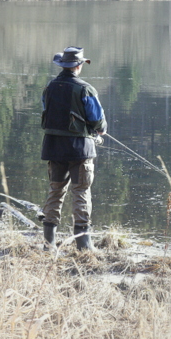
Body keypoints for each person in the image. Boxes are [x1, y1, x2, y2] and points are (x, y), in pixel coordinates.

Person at [40, 46, 107, 251]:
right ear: (78, 66)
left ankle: (48, 244)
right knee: (81, 193)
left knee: (55, 192)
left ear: (63, 66)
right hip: (80, 151)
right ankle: (83, 245)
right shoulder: (86, 89)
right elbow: (98, 122)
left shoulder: (49, 87)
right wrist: (100, 130)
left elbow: (46, 111)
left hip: (54, 149)